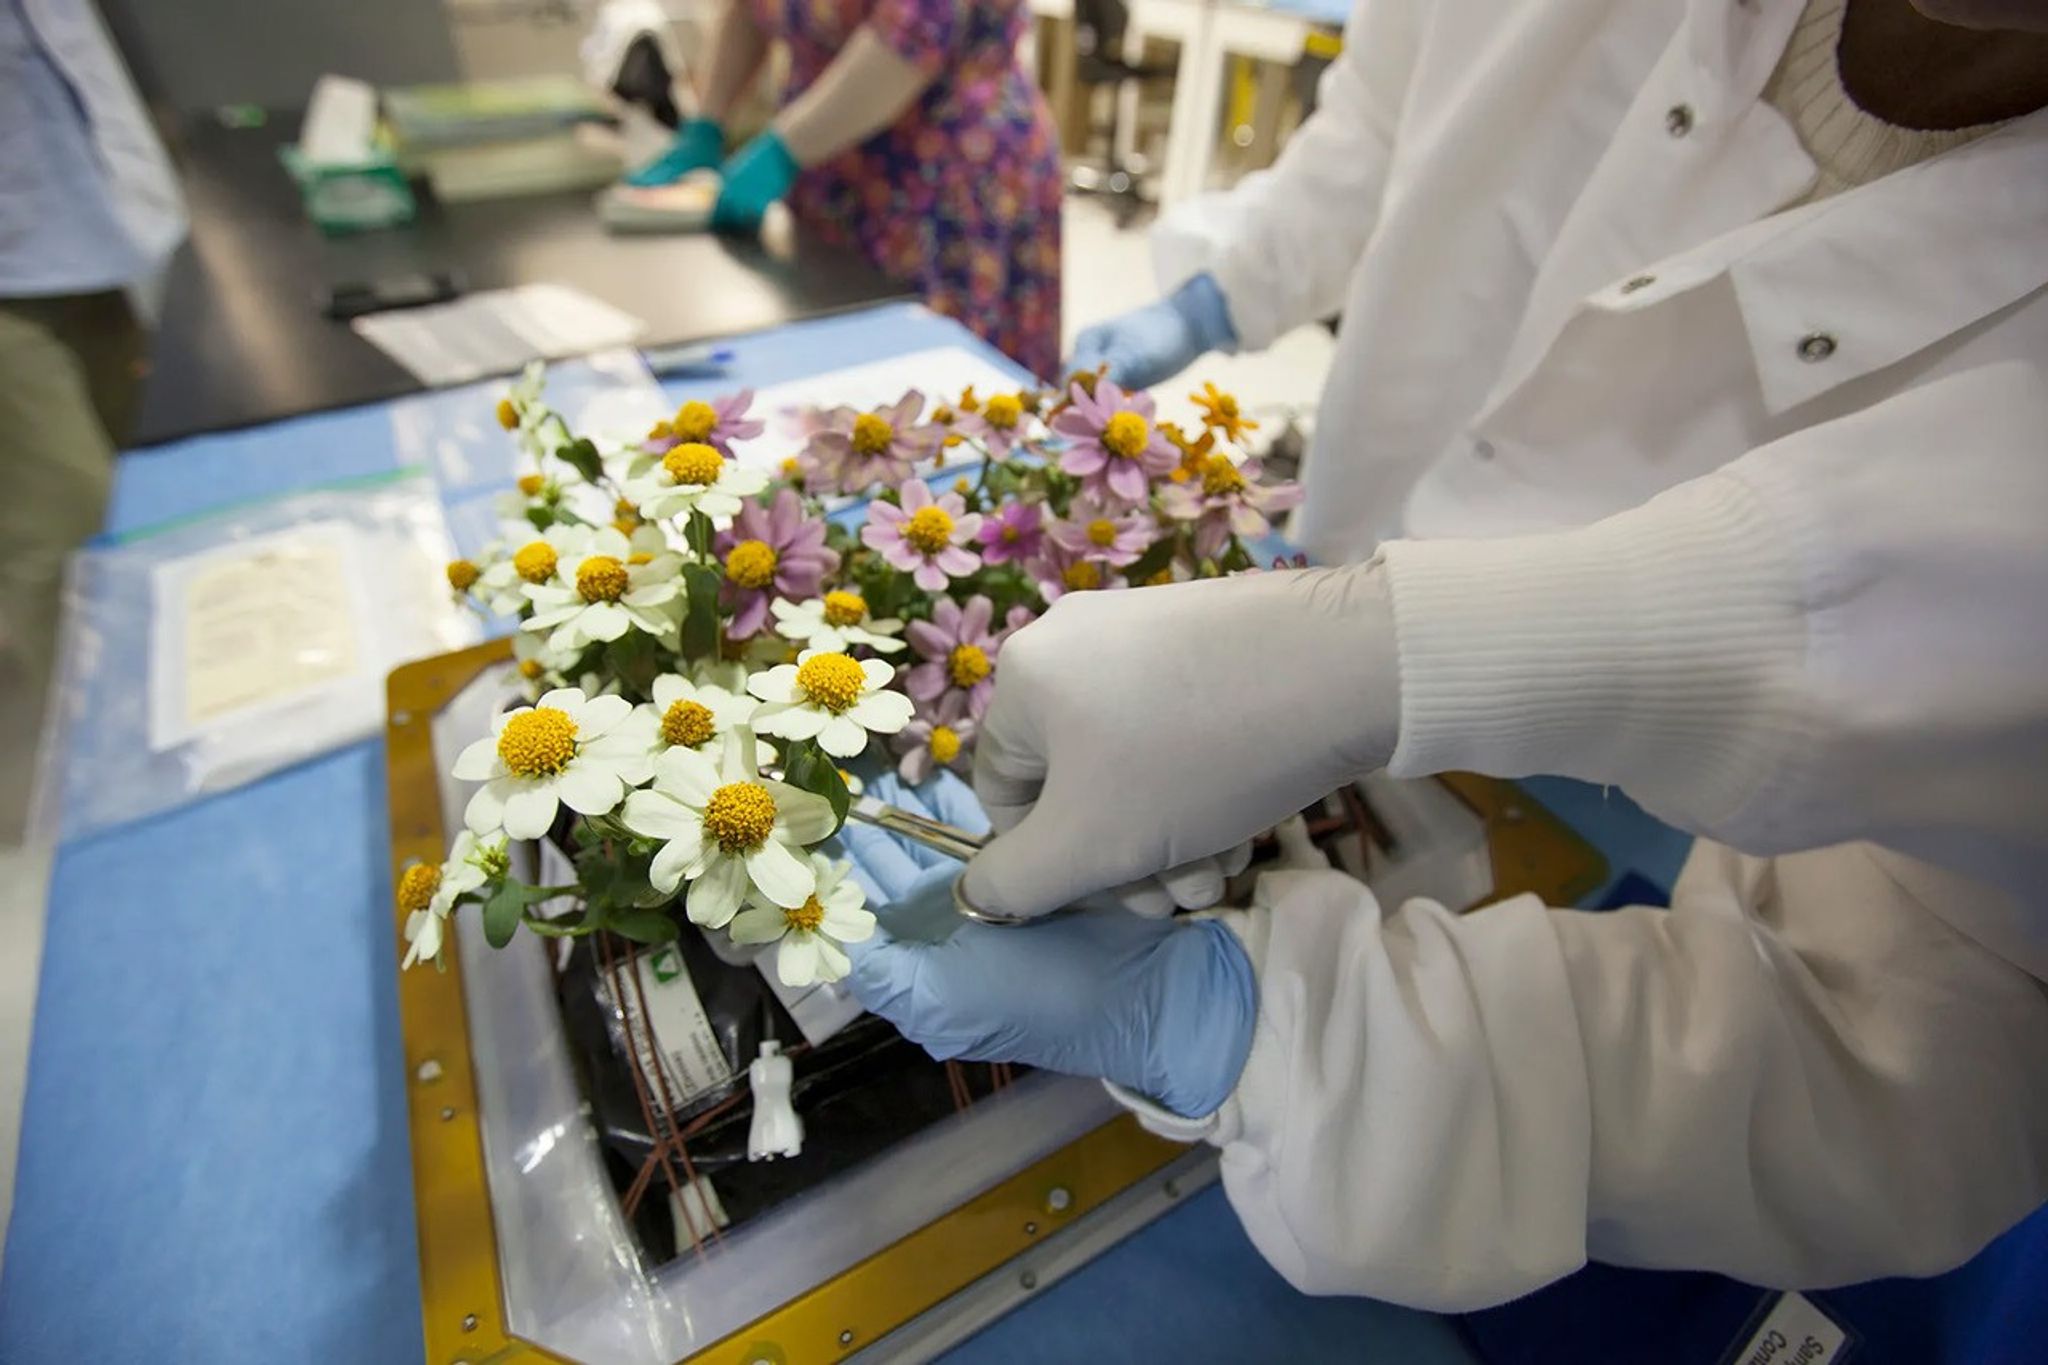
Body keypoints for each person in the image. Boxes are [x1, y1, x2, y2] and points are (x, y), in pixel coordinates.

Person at [839, 0, 2048, 1313]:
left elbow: (1908, 1047)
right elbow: (1374, 129)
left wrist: (1231, 1019)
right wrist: (1219, 292)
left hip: (1635, 845)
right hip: (1363, 518)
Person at [626, 0, 1063, 378]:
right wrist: (708, 121)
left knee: (944, 394)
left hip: (947, 180)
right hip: (826, 164)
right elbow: (749, 9)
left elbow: (910, 36)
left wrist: (783, 150)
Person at [1, 0, 184, 837]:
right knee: (55, 527)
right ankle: (49, 821)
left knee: (128, 497)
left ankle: (132, 735)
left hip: (80, 235)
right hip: (19, 269)